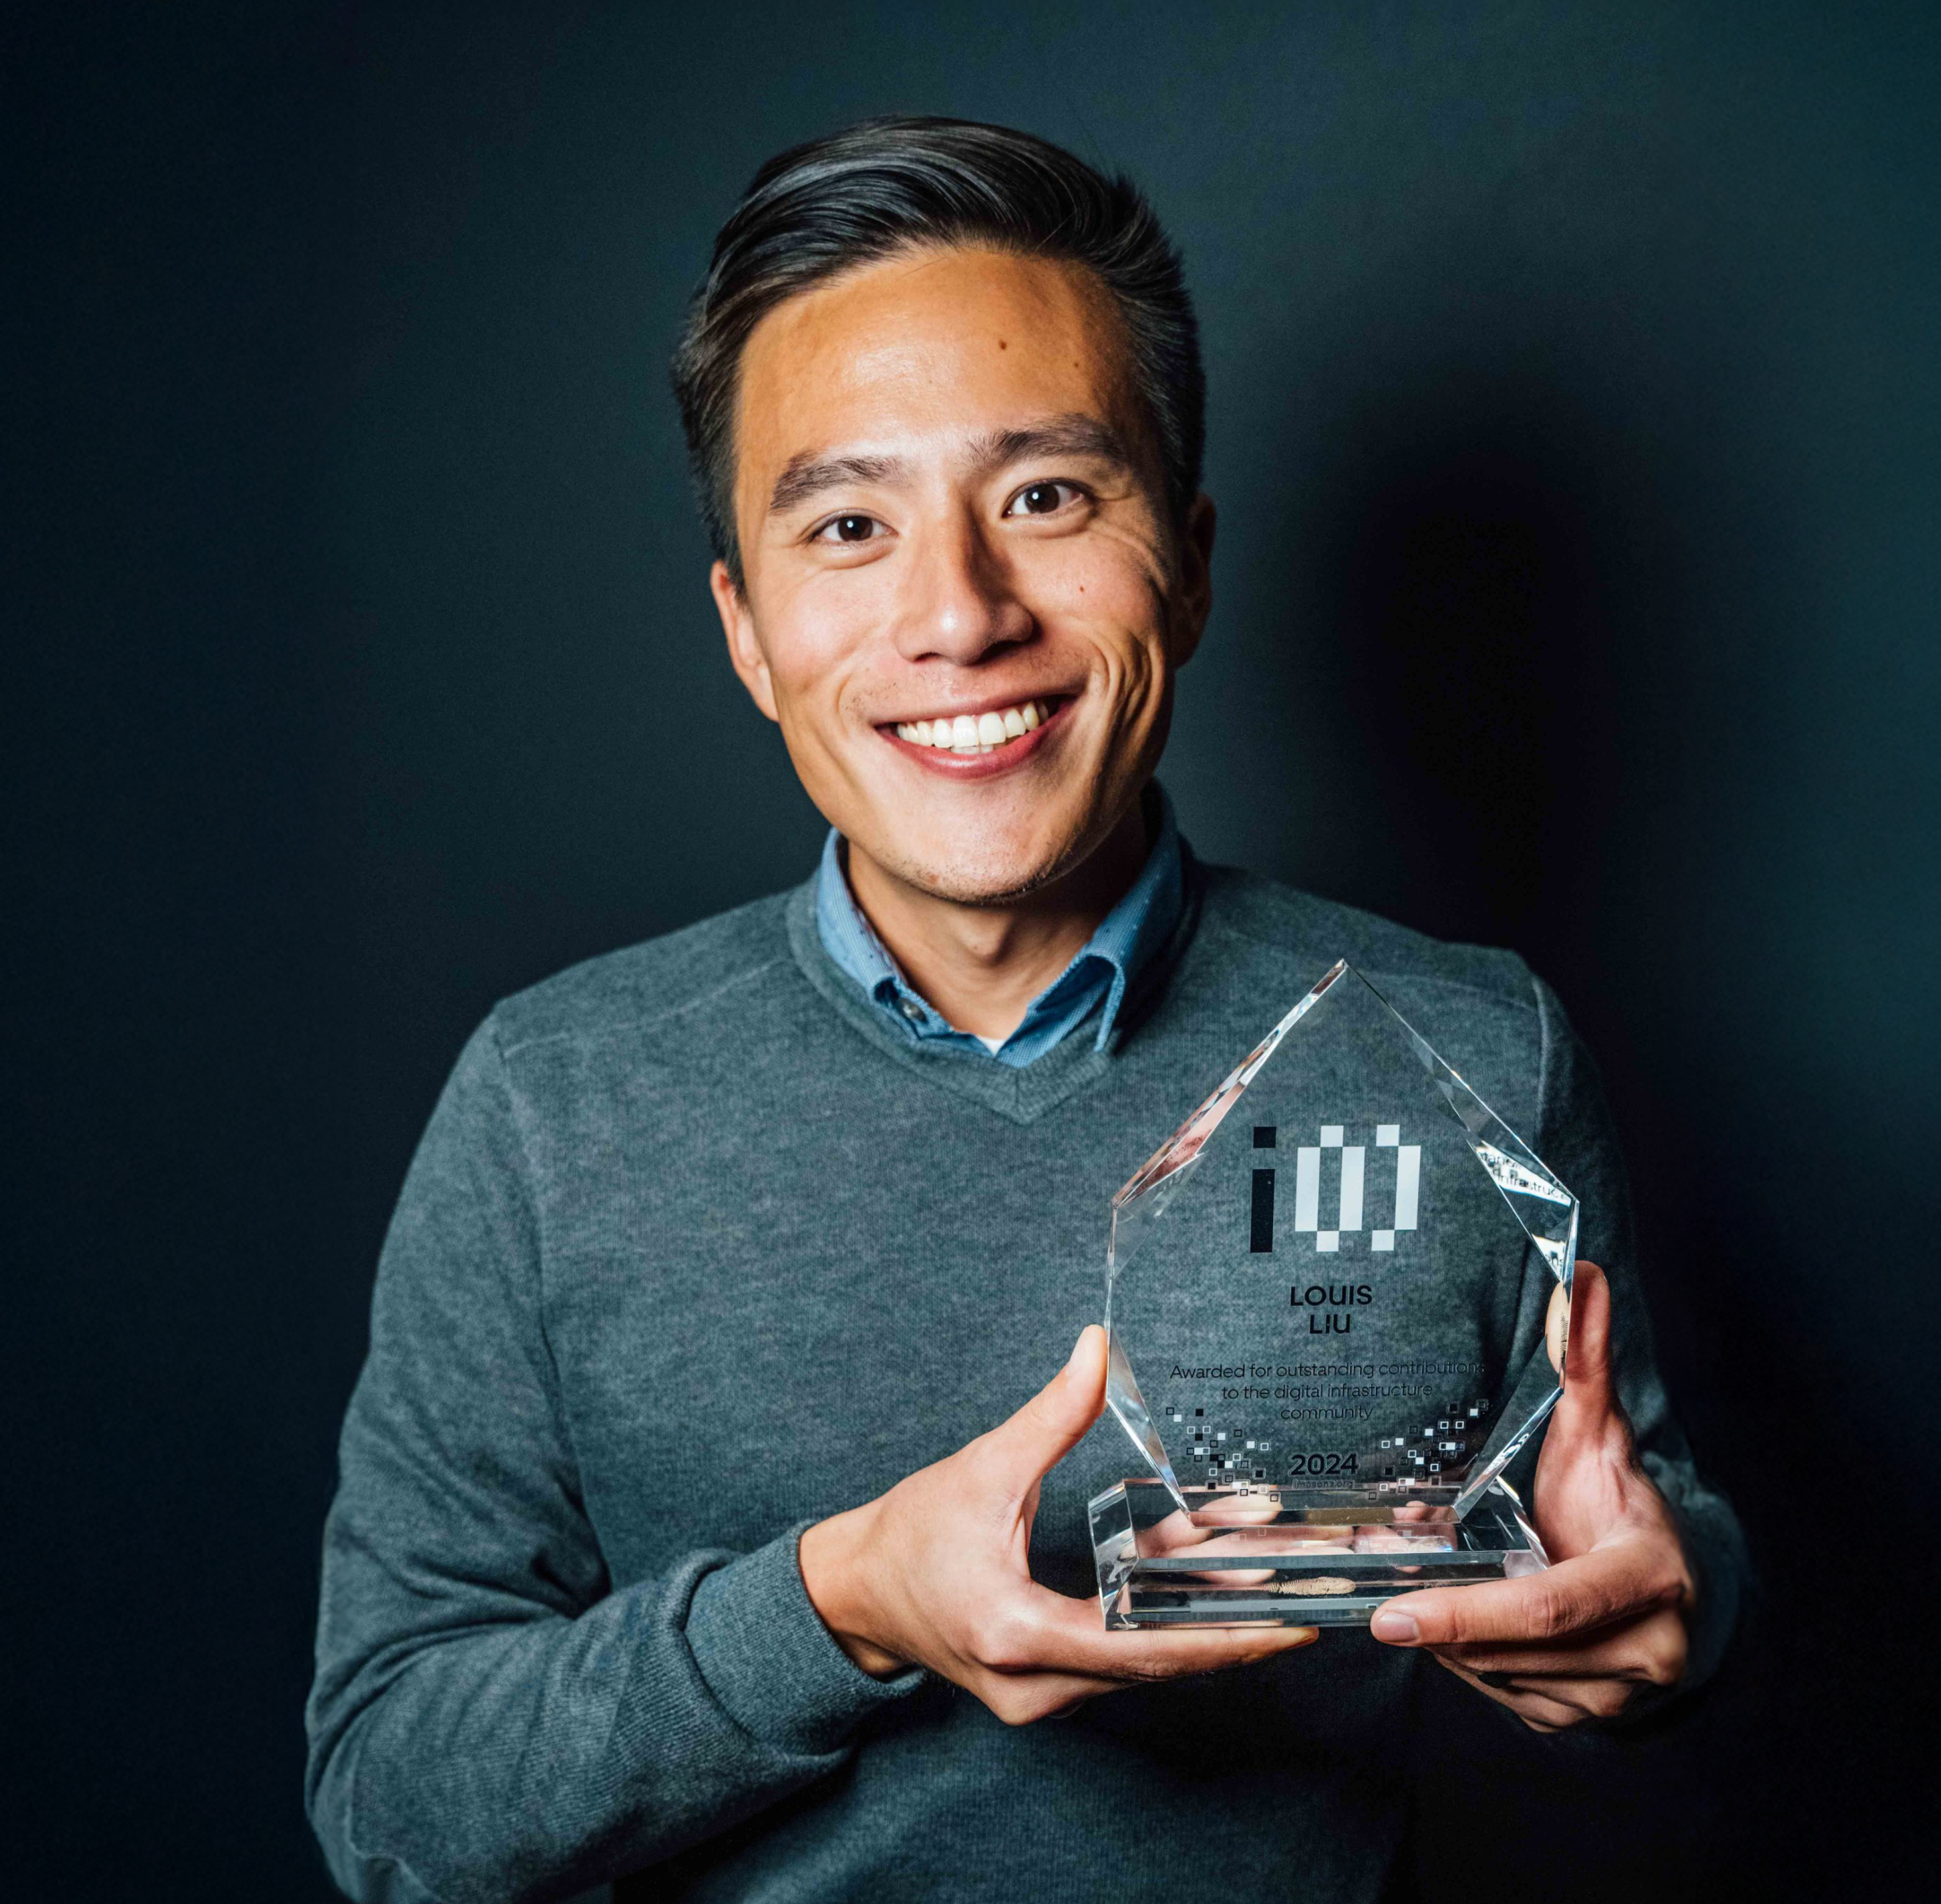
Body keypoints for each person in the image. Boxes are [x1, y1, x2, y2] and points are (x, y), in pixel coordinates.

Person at [306, 117, 1744, 1904]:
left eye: (1047, 498)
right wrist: (837, 1606)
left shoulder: (1475, 1048)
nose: (960, 614)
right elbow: (392, 1802)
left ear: (1189, 563)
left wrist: (1680, 1614)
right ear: (747, 632)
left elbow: (1653, 1545)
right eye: (850, 525)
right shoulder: (551, 1100)